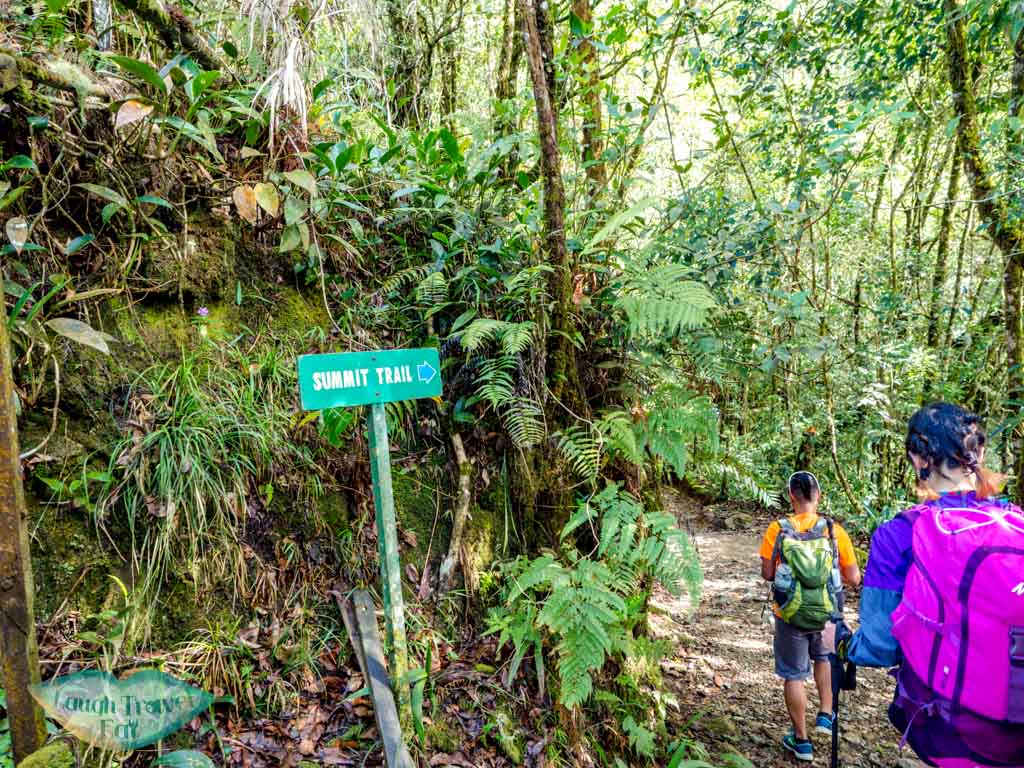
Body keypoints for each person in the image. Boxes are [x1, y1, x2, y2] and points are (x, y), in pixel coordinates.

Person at [827, 402, 1024, 767]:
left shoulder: (901, 534)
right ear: (978, 452)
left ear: (918, 459)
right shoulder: (1017, 523)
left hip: (952, 732)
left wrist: (840, 643)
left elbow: (879, 647)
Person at [760, 471, 862, 762]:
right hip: (828, 614)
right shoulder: (834, 530)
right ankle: (825, 714)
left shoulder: (777, 529)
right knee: (825, 658)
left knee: (793, 674)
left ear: (791, 496)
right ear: (818, 496)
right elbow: (853, 578)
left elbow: (767, 574)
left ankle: (802, 741)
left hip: (790, 615)